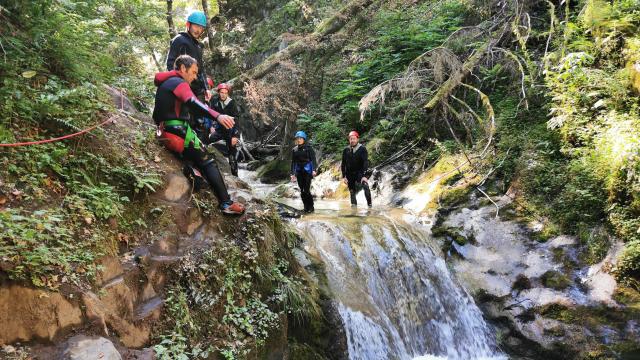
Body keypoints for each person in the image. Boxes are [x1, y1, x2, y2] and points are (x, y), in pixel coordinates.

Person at [153, 54, 244, 215]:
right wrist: (218, 116)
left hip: (164, 132)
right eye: (194, 72)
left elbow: (156, 115)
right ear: (183, 68)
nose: (195, 77)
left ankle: (193, 172)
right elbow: (193, 103)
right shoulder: (179, 83)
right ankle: (226, 203)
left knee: (194, 156)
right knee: (209, 161)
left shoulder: (165, 83)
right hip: (178, 133)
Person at [165, 11, 210, 101]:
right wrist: (180, 84)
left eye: (201, 28)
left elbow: (201, 69)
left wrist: (206, 88)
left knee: (199, 113)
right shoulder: (179, 40)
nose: (198, 30)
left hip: (198, 91)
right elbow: (171, 64)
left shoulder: (198, 46)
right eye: (196, 26)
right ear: (188, 24)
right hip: (184, 88)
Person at [209, 83, 240, 176]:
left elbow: (237, 120)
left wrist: (235, 136)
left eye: (225, 93)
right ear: (219, 92)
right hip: (219, 129)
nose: (223, 94)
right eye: (221, 92)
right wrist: (212, 126)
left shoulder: (232, 103)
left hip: (230, 131)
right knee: (206, 141)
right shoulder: (215, 101)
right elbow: (211, 115)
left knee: (232, 155)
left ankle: (235, 177)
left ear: (228, 93)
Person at [341, 131, 372, 208]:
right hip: (349, 174)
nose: (352, 140)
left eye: (354, 139)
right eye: (351, 139)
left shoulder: (362, 149)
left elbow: (365, 162)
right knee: (352, 192)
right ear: (349, 140)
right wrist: (344, 176)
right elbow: (343, 164)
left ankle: (370, 205)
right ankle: (354, 208)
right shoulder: (346, 150)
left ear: (357, 139)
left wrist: (365, 176)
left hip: (360, 172)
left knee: (365, 186)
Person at [290, 131, 317, 213]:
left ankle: (311, 207)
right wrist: (292, 174)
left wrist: (314, 170)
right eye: (297, 138)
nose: (299, 140)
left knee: (306, 190)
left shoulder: (309, 148)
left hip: (307, 171)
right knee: (302, 191)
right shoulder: (294, 150)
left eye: (300, 138)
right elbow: (293, 162)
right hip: (299, 172)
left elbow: (313, 160)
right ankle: (305, 207)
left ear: (304, 139)